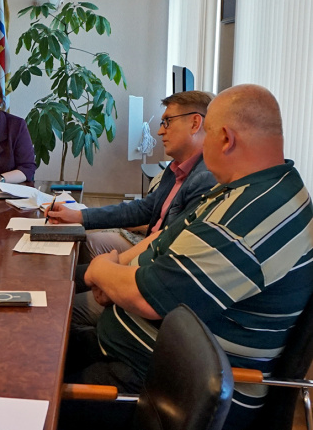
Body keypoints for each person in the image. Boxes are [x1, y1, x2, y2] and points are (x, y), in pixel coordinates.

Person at [65, 84, 313, 429]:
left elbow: (146, 298)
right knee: (41, 345)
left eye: (207, 133)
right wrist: (118, 277)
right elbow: (164, 240)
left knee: (27, 389)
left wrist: (101, 272)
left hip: (173, 390)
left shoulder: (247, 219)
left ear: (225, 138)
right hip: (140, 351)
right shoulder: (249, 188)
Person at [49, 91, 217, 264]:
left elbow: (168, 246)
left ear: (195, 123)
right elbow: (143, 209)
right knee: (80, 246)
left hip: (157, 262)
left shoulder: (205, 179)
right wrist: (79, 216)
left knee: (75, 266)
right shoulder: (176, 167)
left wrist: (113, 267)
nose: (160, 131)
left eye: (168, 121)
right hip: (149, 249)